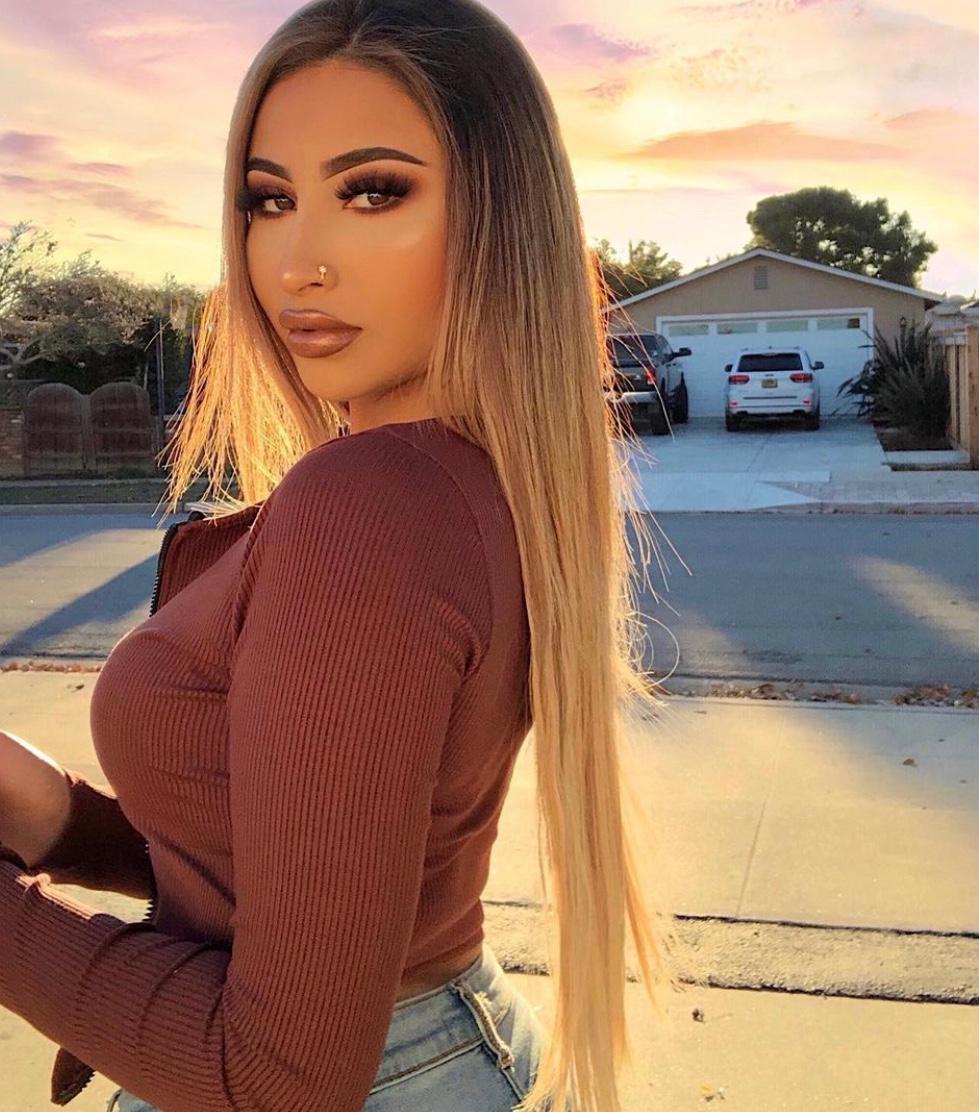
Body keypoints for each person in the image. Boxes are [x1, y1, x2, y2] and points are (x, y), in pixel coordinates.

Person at [0, 2, 691, 1110]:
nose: (297, 262)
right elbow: (307, 872)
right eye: (269, 200)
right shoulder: (462, 479)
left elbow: (281, 1074)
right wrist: (58, 820)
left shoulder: (375, 503)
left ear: (497, 221)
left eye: (372, 191)